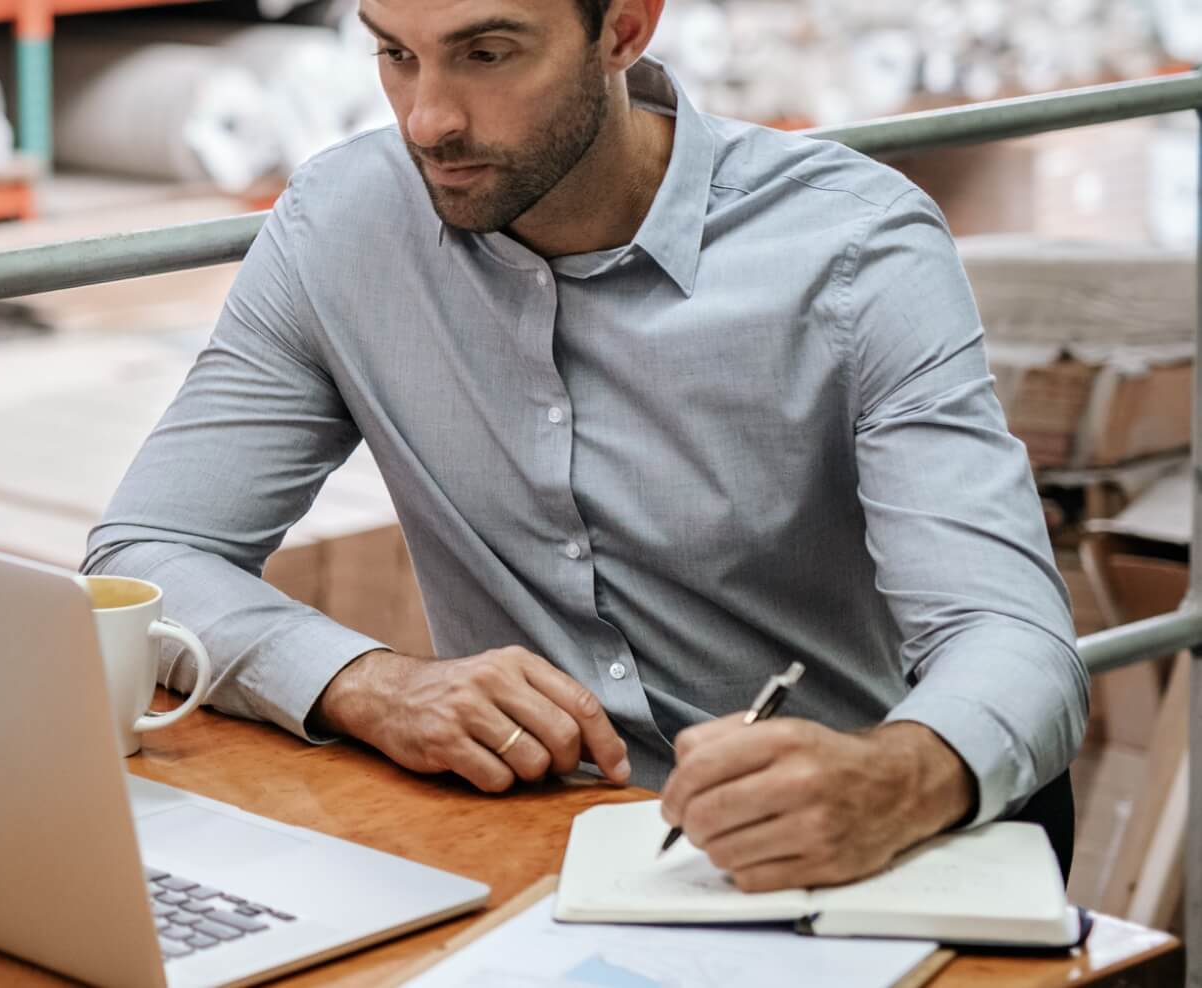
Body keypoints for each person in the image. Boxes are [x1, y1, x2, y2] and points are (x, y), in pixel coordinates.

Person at [83, 0, 1085, 892]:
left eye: (485, 53)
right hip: (512, 852)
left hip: (820, 861)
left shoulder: (854, 248)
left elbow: (1010, 635)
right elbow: (142, 556)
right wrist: (369, 684)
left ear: (623, 29)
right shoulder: (338, 226)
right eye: (394, 54)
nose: (426, 119)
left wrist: (899, 772)